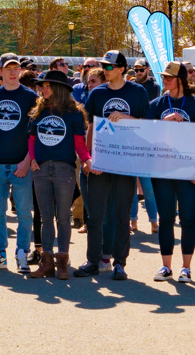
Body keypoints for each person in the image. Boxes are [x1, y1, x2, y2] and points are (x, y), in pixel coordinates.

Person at [76, 50, 150, 281]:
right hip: (101, 162)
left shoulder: (137, 92)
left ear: (121, 69)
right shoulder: (97, 93)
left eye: (109, 67)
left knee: (121, 215)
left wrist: (130, 119)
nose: (104, 71)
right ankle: (93, 260)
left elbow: (148, 127)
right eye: (103, 67)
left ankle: (119, 263)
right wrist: (89, 158)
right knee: (95, 214)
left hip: (126, 162)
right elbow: (90, 126)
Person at [147, 62, 195, 282]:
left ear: (181, 79)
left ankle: (186, 267)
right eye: (164, 77)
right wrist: (164, 122)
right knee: (165, 219)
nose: (165, 80)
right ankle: (166, 267)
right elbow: (147, 135)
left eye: (169, 77)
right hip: (162, 169)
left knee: (188, 219)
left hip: (189, 170)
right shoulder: (156, 104)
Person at [0, 53, 40, 273]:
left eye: (16, 68)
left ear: (20, 71)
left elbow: (34, 134)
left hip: (20, 165)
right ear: (0, 72)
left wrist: (27, 160)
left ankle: (22, 253)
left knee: (24, 213)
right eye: (8, 69)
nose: (13, 72)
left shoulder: (30, 97)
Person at [25, 70, 87, 280]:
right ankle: (47, 262)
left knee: (63, 217)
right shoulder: (38, 111)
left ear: (59, 89)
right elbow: (32, 139)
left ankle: (62, 263)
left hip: (64, 169)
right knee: (44, 217)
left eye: (47, 85)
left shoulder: (74, 113)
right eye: (42, 86)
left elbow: (79, 142)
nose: (43, 89)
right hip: (41, 169)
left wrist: (86, 160)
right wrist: (32, 159)